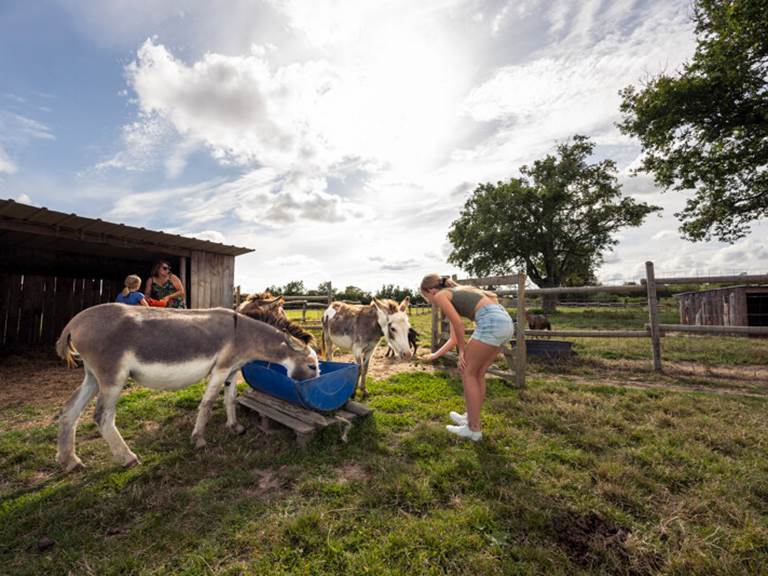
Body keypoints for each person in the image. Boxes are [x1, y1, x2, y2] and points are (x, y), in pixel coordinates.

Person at [420, 274, 514, 441]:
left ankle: (473, 429)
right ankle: (471, 417)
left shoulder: (441, 295)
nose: (430, 302)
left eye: (427, 298)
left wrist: (462, 351)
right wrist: (435, 355)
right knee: (478, 374)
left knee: (467, 372)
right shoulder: (457, 292)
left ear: (431, 291)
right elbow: (454, 337)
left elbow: (459, 325)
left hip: (491, 323)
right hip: (505, 323)